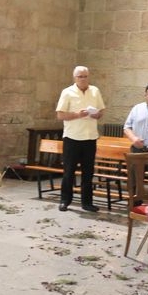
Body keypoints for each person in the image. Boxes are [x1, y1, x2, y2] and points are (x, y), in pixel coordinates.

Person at [55, 65, 105, 212]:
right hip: (72, 137)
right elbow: (60, 115)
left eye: (85, 76)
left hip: (90, 137)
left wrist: (97, 114)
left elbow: (101, 110)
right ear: (74, 78)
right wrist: (77, 114)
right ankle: (65, 200)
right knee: (69, 171)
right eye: (80, 77)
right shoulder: (67, 92)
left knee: (88, 172)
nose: (83, 79)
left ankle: (87, 203)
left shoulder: (95, 91)